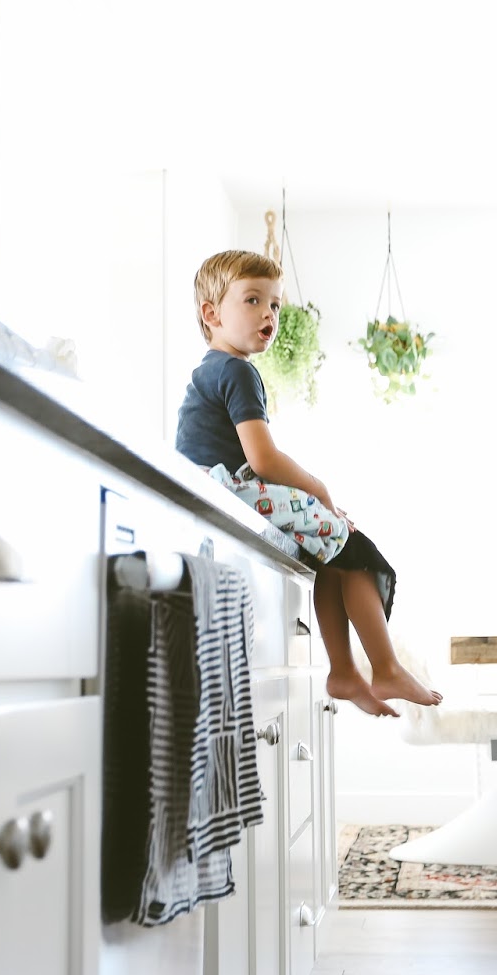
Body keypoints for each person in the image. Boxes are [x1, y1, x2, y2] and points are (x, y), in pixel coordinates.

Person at [174, 249, 442, 717]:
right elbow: (263, 459)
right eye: (253, 300)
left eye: (275, 304)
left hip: (212, 492)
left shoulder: (209, 369)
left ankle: (346, 672)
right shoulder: (236, 371)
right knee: (352, 546)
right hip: (228, 489)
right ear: (211, 314)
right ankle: (384, 666)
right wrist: (320, 490)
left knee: (330, 551)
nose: (269, 314)